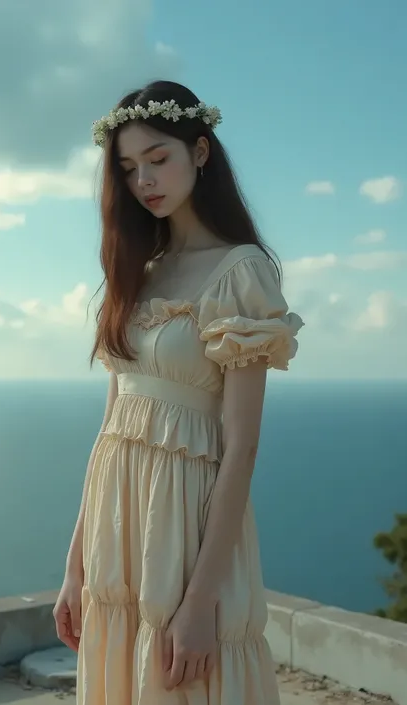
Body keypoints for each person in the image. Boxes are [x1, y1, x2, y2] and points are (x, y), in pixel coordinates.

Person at [53, 80, 304, 704]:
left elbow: (241, 446)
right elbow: (110, 428)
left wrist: (201, 601)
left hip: (188, 529)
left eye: (158, 158)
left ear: (200, 152)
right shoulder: (135, 272)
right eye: (129, 168)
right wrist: (73, 566)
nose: (145, 181)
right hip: (120, 525)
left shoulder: (241, 271)